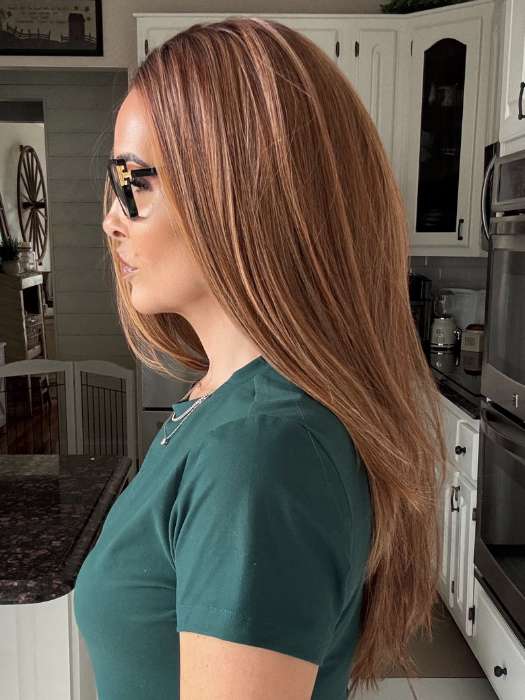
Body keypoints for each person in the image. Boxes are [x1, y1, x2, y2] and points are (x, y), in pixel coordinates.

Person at [73, 16, 446, 700]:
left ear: (240, 192)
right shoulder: (222, 402)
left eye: (135, 182)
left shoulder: (259, 450)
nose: (111, 219)